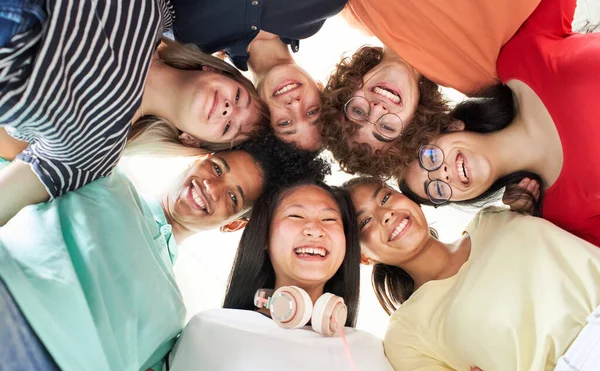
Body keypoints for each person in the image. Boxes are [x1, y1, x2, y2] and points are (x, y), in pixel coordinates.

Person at [0, 134, 324, 371]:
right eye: (217, 168)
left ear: (232, 225)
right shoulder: (106, 175)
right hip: (16, 320)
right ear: (197, 157)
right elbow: (13, 147)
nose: (211, 187)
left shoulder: (176, 320)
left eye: (233, 198)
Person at [0, 1, 268, 226]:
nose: (227, 109)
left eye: (228, 128)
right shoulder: (158, 12)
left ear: (191, 140)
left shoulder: (97, 155)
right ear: (215, 70)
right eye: (237, 97)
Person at [149, 180, 409, 371]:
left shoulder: (369, 350)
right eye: (296, 215)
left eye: (329, 219)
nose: (315, 229)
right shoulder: (208, 329)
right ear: (264, 238)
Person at [346, 176, 600, 371]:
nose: (385, 214)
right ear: (364, 257)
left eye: (386, 197)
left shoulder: (495, 215)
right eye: (365, 222)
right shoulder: (406, 333)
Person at [400, 0, 600, 247]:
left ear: (451, 126)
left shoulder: (519, 59)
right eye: (437, 190)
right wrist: (530, 224)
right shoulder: (562, 217)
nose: (442, 174)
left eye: (430, 157)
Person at [319, 0, 541, 177]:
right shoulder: (478, 75)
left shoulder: (355, 9)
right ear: (414, 124)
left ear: (347, 90)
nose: (377, 109)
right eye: (386, 127)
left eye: (358, 112)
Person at [169, 0, 347, 151]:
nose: (294, 105)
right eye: (312, 111)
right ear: (320, 86)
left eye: (285, 123)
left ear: (261, 119)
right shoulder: (325, 4)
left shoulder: (191, 34)